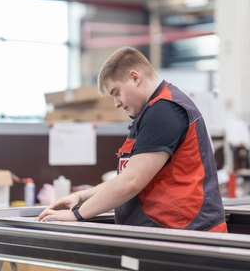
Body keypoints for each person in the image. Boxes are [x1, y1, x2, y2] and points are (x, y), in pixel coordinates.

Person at [36, 46, 227, 233]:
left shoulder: (165, 110)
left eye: (116, 92)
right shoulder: (152, 111)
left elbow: (132, 181)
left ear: (135, 77)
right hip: (169, 235)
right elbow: (127, 178)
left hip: (187, 238)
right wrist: (80, 197)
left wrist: (77, 214)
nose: (117, 103)